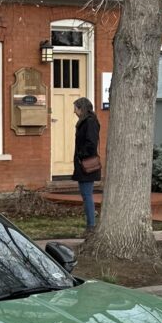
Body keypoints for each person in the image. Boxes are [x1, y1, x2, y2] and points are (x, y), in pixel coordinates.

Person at [72, 97, 101, 234]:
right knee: (85, 194)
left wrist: (81, 156)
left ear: (81, 108)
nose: (74, 111)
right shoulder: (85, 122)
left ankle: (91, 226)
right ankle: (90, 223)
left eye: (75, 108)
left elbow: (91, 144)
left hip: (86, 165)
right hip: (82, 165)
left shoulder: (89, 122)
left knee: (87, 195)